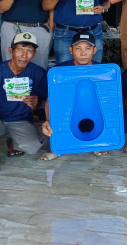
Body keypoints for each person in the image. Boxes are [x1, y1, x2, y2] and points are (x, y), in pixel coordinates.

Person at [0, 32, 47, 174]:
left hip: (20, 120)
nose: (24, 55)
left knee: (33, 147)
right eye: (20, 49)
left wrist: (36, 103)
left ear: (34, 53)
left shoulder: (38, 73)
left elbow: (42, 102)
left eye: (29, 51)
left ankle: (14, 142)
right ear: (10, 50)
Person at [39, 32, 109, 160]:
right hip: (69, 111)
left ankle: (98, 142)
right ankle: (58, 147)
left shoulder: (104, 71)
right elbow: (51, 100)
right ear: (71, 50)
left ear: (94, 50)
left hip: (93, 110)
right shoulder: (59, 71)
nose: (83, 53)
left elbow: (110, 100)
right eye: (78, 48)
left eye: (87, 48)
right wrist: (49, 120)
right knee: (59, 109)